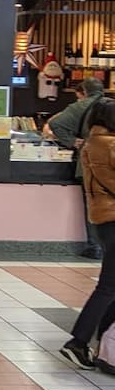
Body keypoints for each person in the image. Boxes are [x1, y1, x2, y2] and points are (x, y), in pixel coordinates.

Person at [61, 98, 115, 369]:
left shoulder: (91, 143)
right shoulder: (110, 145)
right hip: (114, 219)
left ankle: (103, 344)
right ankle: (79, 342)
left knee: (111, 287)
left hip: (103, 220)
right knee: (108, 287)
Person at [47, 78, 105, 259]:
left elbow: (55, 124)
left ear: (83, 92)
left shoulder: (80, 107)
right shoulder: (110, 106)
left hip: (90, 163)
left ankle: (95, 246)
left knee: (93, 205)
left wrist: (72, 141)